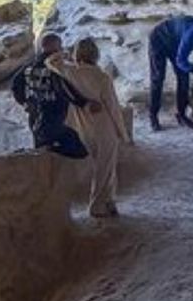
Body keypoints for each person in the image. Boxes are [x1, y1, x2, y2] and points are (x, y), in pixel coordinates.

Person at [50, 37, 134, 217]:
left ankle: (110, 201)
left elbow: (50, 61)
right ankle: (96, 206)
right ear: (96, 54)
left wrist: (65, 54)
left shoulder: (70, 71)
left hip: (83, 127)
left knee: (104, 167)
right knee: (105, 168)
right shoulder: (101, 77)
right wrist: (122, 133)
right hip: (103, 127)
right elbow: (113, 107)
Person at [11, 33, 91, 159]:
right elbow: (65, 89)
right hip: (54, 120)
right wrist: (85, 103)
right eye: (60, 47)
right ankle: (49, 150)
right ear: (55, 47)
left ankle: (45, 154)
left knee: (40, 156)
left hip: (35, 119)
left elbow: (15, 85)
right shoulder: (55, 68)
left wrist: (25, 102)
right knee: (79, 150)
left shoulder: (29, 67)